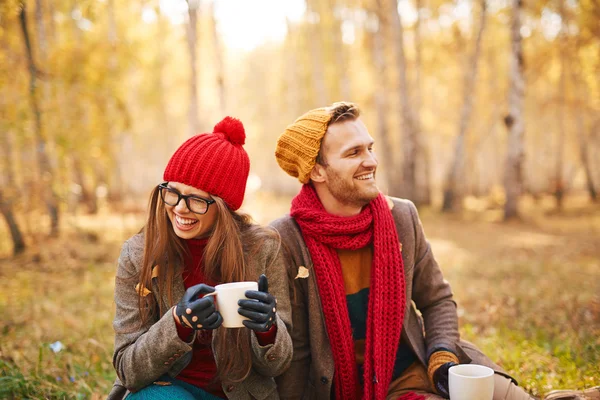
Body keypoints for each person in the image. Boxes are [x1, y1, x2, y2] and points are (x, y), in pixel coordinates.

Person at [271, 102, 534, 400]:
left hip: (423, 366)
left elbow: (437, 300)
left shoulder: (402, 217)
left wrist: (442, 355)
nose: (371, 161)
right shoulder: (285, 240)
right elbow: (290, 350)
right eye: (354, 152)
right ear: (317, 171)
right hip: (354, 390)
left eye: (369, 148)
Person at [108, 117, 292, 400]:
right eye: (173, 193)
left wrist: (268, 329)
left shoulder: (263, 248)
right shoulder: (138, 255)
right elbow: (127, 369)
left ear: (223, 207)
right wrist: (178, 322)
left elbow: (278, 364)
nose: (180, 209)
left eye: (196, 199)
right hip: (169, 391)